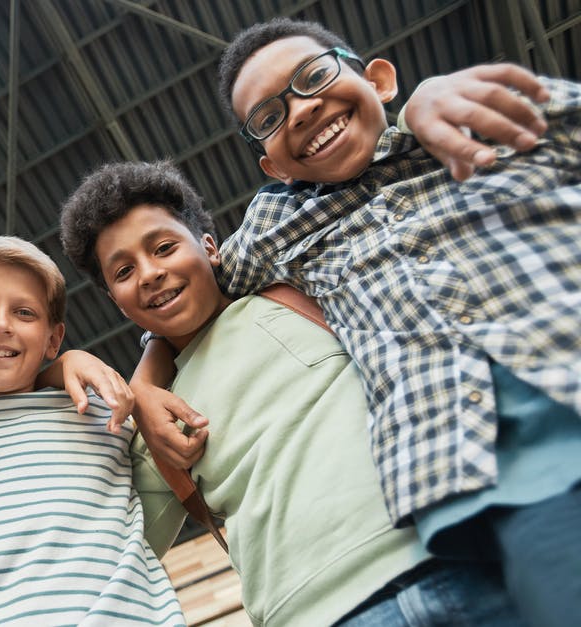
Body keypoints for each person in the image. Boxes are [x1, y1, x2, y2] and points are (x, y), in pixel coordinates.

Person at [214, 17, 581, 625]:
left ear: (379, 79)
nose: (300, 111)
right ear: (272, 168)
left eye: (313, 76)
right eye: (268, 118)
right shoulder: (277, 228)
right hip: (513, 473)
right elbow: (182, 290)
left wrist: (422, 104)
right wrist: (142, 376)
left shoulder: (478, 114)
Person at [58, 161, 525, 626]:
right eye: (123, 272)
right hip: (311, 613)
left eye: (163, 247)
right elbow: (117, 549)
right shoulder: (158, 417)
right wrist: (57, 369)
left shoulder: (307, 288)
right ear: (116, 303)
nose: (150, 273)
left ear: (210, 247)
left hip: (453, 556)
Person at [0, 236, 184, 626]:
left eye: (24, 313)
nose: (1, 325)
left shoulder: (101, 410)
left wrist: (69, 366)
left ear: (53, 339)